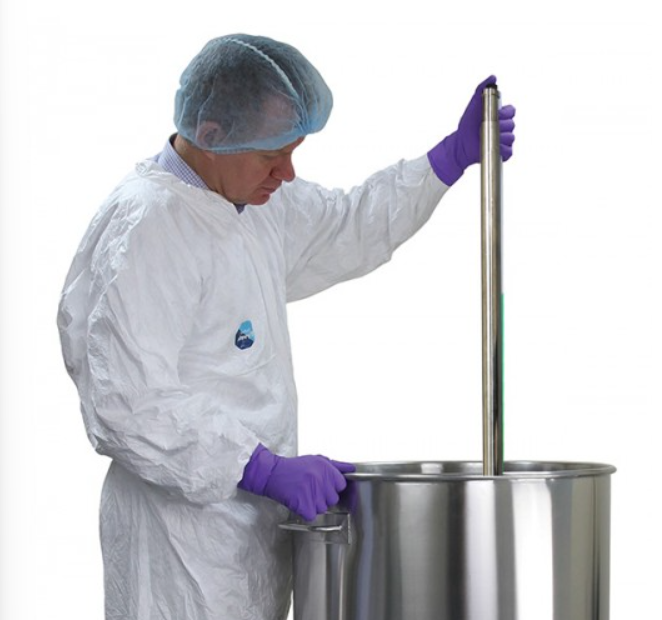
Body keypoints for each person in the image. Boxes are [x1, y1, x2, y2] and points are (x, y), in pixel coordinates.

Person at [57, 34, 515, 620]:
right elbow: (127, 401)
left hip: (250, 542)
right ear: (212, 135)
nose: (288, 172)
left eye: (293, 150)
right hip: (176, 555)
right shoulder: (151, 226)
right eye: (273, 155)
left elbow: (346, 225)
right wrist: (261, 468)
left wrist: (445, 161)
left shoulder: (253, 204)